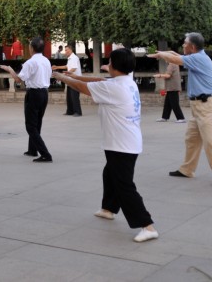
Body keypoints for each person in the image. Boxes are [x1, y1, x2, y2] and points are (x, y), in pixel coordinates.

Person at [53, 48, 158, 243]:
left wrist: (62, 77)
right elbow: (98, 81)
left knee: (124, 185)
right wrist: (75, 75)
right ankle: (108, 209)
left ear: (115, 66)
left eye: (109, 62)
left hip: (121, 144)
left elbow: (82, 87)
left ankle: (147, 225)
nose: (108, 65)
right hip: (124, 141)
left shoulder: (114, 88)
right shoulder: (126, 81)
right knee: (109, 174)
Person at [149, 32, 212, 186]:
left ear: (192, 47)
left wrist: (162, 54)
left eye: (185, 43)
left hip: (207, 106)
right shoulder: (196, 57)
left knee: (211, 142)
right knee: (192, 139)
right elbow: (178, 56)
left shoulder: (199, 58)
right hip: (199, 106)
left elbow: (176, 59)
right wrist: (168, 53)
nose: (183, 45)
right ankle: (187, 169)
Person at [1, 37, 53, 162]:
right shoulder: (46, 61)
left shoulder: (31, 62)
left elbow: (19, 79)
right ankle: (32, 149)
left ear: (32, 48)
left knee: (30, 125)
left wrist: (10, 69)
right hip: (44, 93)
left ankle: (45, 154)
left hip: (34, 94)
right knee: (37, 123)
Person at [53, 44, 83, 116]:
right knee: (69, 96)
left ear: (70, 50)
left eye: (66, 50)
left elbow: (74, 68)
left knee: (74, 97)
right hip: (70, 80)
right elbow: (67, 66)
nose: (65, 52)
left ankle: (78, 112)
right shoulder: (70, 58)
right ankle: (70, 111)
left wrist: (65, 74)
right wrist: (57, 67)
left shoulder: (74, 58)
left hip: (75, 80)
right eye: (65, 50)